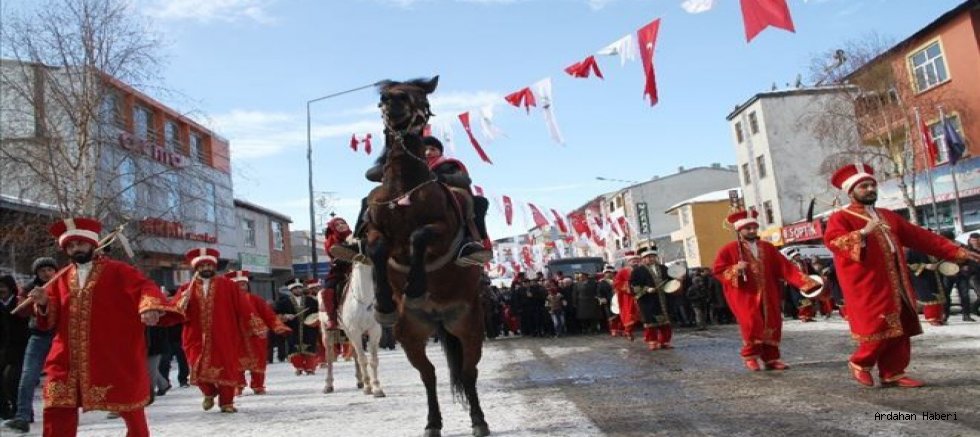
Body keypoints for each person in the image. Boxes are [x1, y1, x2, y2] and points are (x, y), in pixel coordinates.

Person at [823, 163, 980, 388]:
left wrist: (955, 250)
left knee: (902, 325)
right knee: (878, 326)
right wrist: (862, 233)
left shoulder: (888, 216)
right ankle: (861, 362)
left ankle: (893, 372)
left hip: (896, 280)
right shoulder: (841, 217)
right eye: (863, 186)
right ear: (851, 191)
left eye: (872, 185)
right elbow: (834, 242)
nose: (869, 189)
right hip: (868, 283)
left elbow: (921, 237)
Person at [28, 217, 182, 436]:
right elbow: (48, 321)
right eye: (70, 246)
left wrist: (149, 307)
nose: (76, 249)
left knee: (128, 403)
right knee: (56, 404)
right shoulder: (60, 279)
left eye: (80, 243)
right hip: (66, 357)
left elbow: (145, 287)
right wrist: (44, 303)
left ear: (92, 243)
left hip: (111, 352)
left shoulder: (119, 271)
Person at [352, 136, 491, 267]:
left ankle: (470, 243)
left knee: (479, 201)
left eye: (433, 149)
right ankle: (360, 242)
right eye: (425, 149)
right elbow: (371, 174)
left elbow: (465, 180)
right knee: (370, 199)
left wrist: (440, 177)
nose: (428, 152)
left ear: (440, 152)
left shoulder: (448, 165)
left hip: (441, 198)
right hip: (405, 197)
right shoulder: (405, 165)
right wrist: (387, 169)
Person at [713, 209, 819, 371]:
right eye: (748, 228)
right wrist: (736, 269)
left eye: (754, 227)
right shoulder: (729, 249)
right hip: (745, 295)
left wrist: (807, 283)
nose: (752, 231)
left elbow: (785, 268)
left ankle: (771, 358)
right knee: (752, 324)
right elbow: (718, 270)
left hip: (769, 292)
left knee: (773, 323)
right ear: (739, 230)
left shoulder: (768, 248)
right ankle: (751, 356)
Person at [173, 247, 259, 413]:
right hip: (195, 336)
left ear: (214, 267)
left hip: (224, 334)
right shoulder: (186, 288)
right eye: (202, 266)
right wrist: (180, 304)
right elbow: (175, 310)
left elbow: (244, 306)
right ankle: (209, 392)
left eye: (209, 265)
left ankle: (227, 402)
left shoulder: (228, 286)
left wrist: (254, 324)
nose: (206, 268)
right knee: (196, 366)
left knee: (226, 367)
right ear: (196, 268)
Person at [2, 258, 58, 433]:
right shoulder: (28, 289)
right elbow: (21, 312)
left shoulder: (64, 283)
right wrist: (33, 301)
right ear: (36, 273)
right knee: (27, 377)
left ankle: (63, 414)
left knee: (63, 377)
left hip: (60, 336)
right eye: (42, 270)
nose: (46, 273)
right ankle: (22, 417)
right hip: (37, 337)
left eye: (50, 269)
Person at [225, 271, 290, 395]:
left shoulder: (256, 300)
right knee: (235, 362)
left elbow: (268, 315)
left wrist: (279, 327)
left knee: (258, 362)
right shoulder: (226, 302)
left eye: (244, 284)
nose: (241, 287)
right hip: (235, 337)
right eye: (238, 284)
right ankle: (238, 385)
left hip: (255, 336)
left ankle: (258, 385)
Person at [629, 248, 674, 350]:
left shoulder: (664, 268)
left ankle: (665, 341)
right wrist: (646, 289)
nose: (651, 259)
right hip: (647, 300)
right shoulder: (637, 271)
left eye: (652, 257)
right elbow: (633, 285)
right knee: (650, 322)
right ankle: (652, 341)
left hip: (663, 299)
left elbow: (671, 280)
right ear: (643, 259)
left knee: (665, 322)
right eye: (648, 257)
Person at [275, 278, 319, 375]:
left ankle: (310, 368)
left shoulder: (311, 300)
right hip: (292, 329)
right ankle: (298, 367)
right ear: (291, 290)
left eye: (300, 288)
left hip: (309, 329)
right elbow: (275, 314)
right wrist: (285, 316)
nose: (298, 290)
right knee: (293, 348)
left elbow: (318, 312)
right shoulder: (283, 302)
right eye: (296, 288)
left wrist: (314, 318)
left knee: (310, 347)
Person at [0, 275, 27, 421]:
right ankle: (4, 410)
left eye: (3, 286)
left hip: (19, 347)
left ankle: (21, 411)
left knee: (12, 379)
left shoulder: (19, 303)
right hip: (3, 348)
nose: (1, 290)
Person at [321, 217, 354, 331]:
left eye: (343, 223)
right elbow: (334, 254)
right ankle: (332, 318)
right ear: (333, 228)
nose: (341, 225)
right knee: (327, 290)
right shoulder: (331, 240)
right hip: (340, 269)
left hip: (358, 266)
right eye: (337, 224)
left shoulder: (355, 237)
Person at [906, 249, 947, 326]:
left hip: (935, 276)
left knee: (938, 297)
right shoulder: (913, 249)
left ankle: (938, 317)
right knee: (929, 297)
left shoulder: (932, 248)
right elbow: (908, 264)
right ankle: (932, 318)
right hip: (923, 278)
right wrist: (925, 266)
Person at [614, 252, 641, 340]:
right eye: (633, 260)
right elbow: (617, 283)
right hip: (628, 297)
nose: (635, 262)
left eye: (637, 260)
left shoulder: (642, 269)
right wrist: (628, 286)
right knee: (630, 314)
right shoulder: (623, 271)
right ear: (629, 261)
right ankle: (628, 331)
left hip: (643, 294)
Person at [786, 249, 816, 322]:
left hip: (806, 283)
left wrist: (816, 277)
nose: (798, 257)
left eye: (798, 255)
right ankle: (803, 316)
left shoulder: (805, 263)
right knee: (800, 300)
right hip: (795, 285)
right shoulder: (789, 264)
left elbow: (812, 271)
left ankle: (808, 315)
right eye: (796, 256)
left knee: (808, 300)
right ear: (793, 257)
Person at [596, 266, 623, 336]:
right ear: (604, 274)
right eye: (607, 273)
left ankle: (621, 330)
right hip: (609, 301)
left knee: (620, 316)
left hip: (619, 300)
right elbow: (599, 292)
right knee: (611, 316)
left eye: (610, 272)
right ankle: (613, 330)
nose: (608, 274)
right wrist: (601, 298)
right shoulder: (602, 282)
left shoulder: (617, 280)